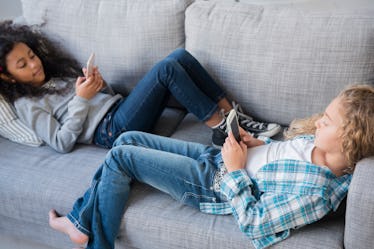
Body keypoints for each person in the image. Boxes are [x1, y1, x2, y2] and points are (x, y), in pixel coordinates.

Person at [48, 84, 374, 249]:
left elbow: (255, 223)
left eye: (327, 121)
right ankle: (81, 221)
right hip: (221, 160)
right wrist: (258, 145)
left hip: (215, 184)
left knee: (122, 157)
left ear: (349, 140)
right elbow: (282, 155)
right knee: (128, 138)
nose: (318, 122)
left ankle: (95, 241)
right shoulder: (316, 145)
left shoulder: (316, 193)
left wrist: (234, 170)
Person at [0, 20, 280, 153]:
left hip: (119, 110)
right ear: (8, 77)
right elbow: (61, 142)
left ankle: (232, 116)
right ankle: (222, 130)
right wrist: (81, 100)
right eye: (22, 65)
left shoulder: (54, 76)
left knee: (179, 57)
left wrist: (96, 86)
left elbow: (105, 99)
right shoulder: (28, 105)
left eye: (32, 56)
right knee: (167, 69)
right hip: (111, 131)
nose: (34, 65)